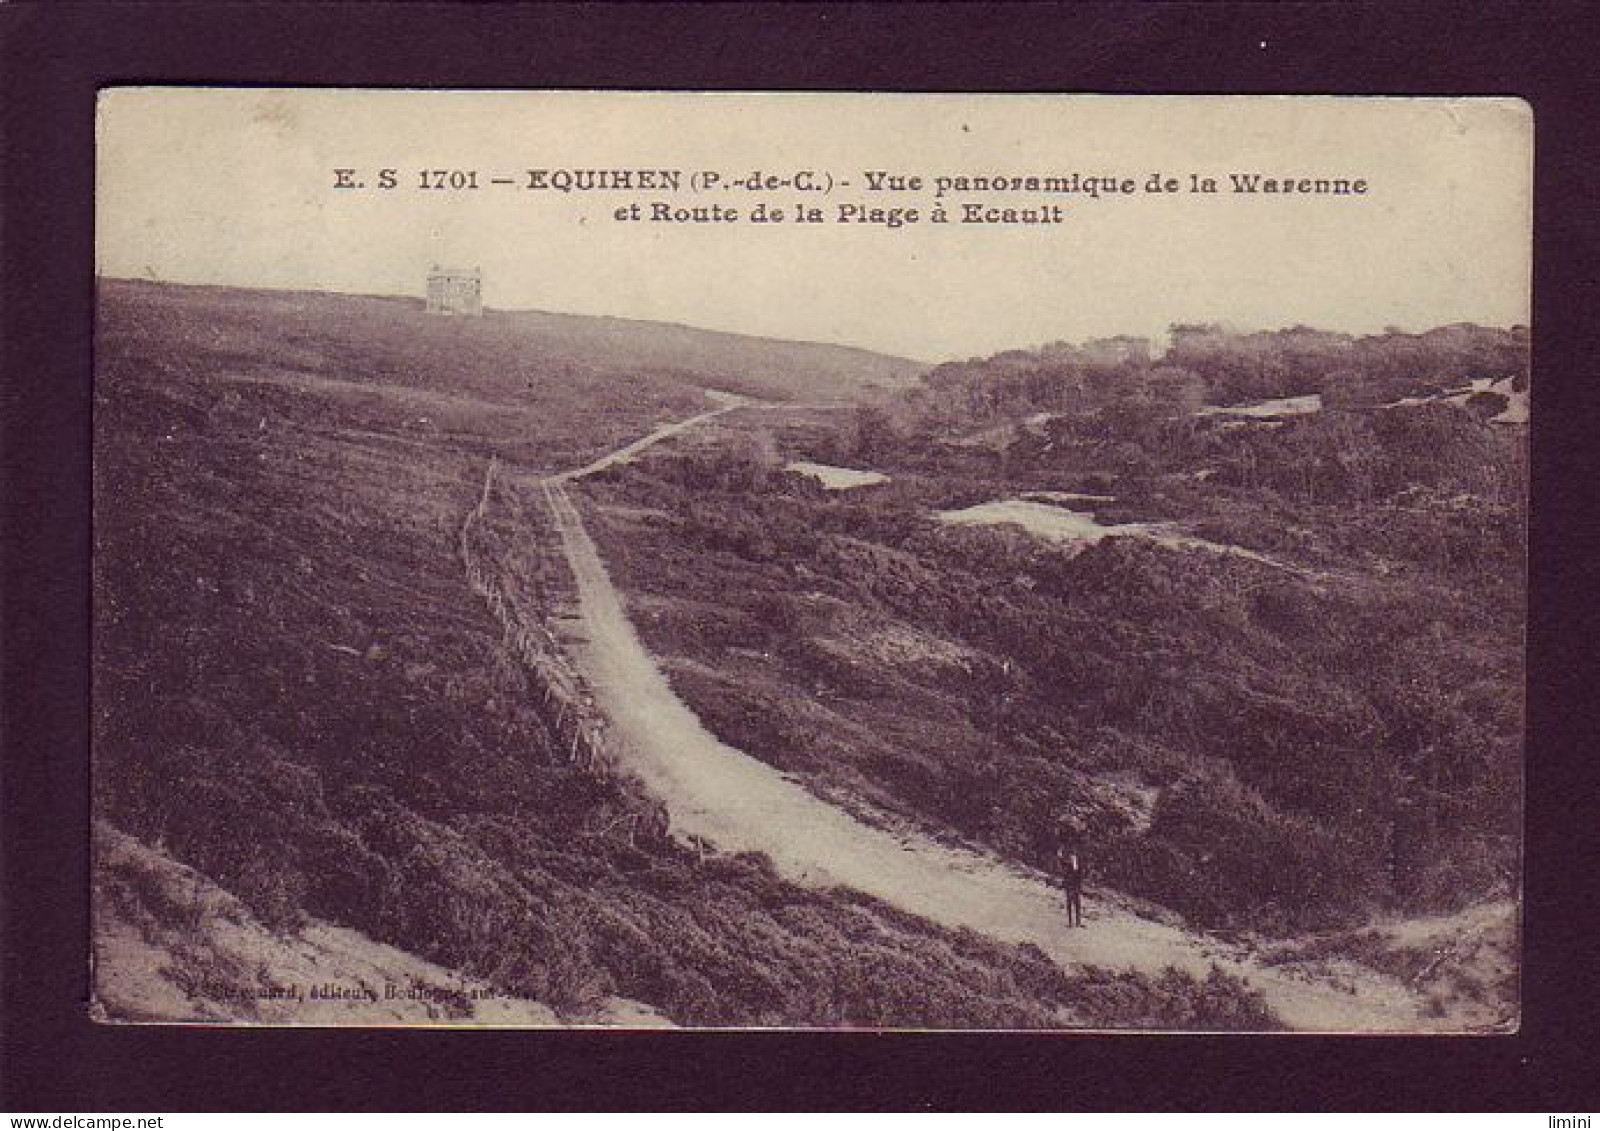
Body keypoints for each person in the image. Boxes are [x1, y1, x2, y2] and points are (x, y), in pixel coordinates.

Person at [1057, 840, 1087, 928]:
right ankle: (1071, 922)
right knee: (1070, 901)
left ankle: (1077, 922)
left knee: (1077, 902)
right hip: (1070, 883)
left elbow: (1080, 872)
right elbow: (1062, 863)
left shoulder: (1077, 862)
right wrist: (1060, 856)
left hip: (1075, 883)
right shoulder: (1068, 862)